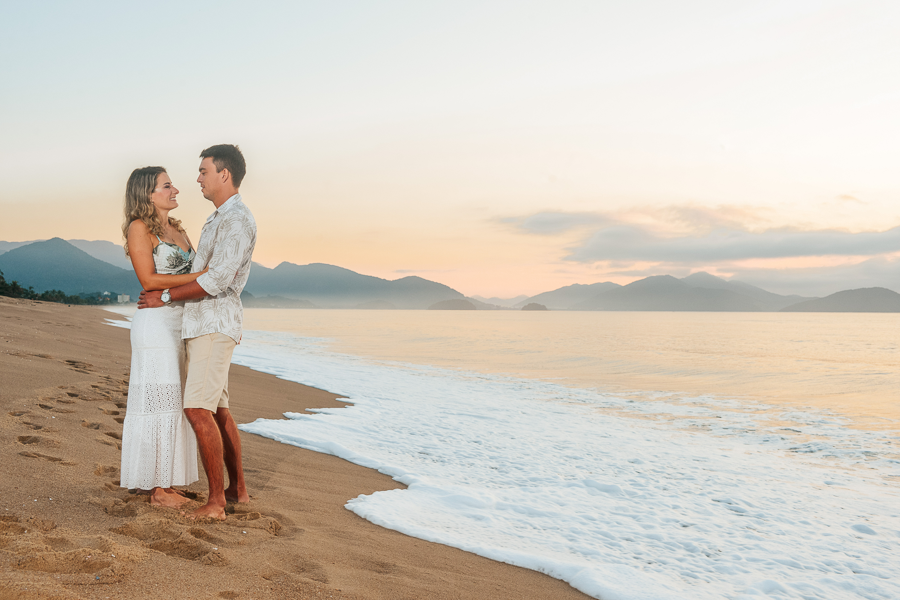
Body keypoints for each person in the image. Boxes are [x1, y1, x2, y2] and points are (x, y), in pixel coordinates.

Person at [138, 144, 257, 521]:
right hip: (201, 323)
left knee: (196, 407)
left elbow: (217, 279)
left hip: (213, 323)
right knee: (219, 408)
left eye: (204, 171)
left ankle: (216, 502)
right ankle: (237, 490)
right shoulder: (216, 218)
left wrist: (167, 295)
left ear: (224, 174)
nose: (198, 178)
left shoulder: (236, 219)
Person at [120, 166, 204, 507]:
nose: (176, 191)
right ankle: (158, 490)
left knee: (173, 399)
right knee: (160, 400)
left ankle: (162, 479)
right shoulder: (139, 228)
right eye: (167, 186)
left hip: (181, 322)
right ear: (147, 193)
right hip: (155, 324)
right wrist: (202, 276)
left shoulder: (178, 230)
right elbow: (149, 281)